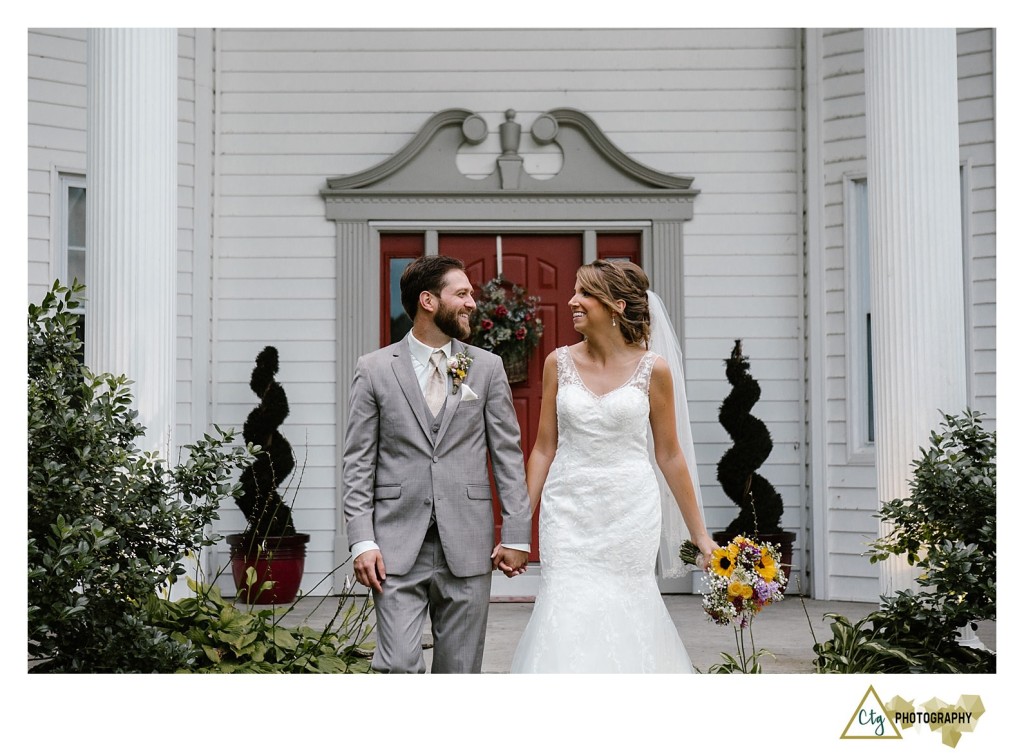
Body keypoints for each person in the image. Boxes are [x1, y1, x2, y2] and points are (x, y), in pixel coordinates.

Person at [510, 259, 715, 673]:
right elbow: (544, 449)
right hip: (567, 511)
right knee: (564, 604)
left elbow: (669, 454)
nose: (572, 301)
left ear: (617, 306)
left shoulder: (653, 370)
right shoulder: (557, 363)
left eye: (585, 293)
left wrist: (701, 536)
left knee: (629, 604)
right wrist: (517, 531)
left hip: (630, 511)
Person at [343, 255, 532, 673]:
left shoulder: (486, 367)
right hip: (394, 544)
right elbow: (358, 462)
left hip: (467, 541)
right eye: (461, 294)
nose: (472, 303)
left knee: (460, 670)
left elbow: (507, 455)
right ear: (428, 301)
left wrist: (517, 534)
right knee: (397, 665)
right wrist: (362, 541)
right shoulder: (374, 369)